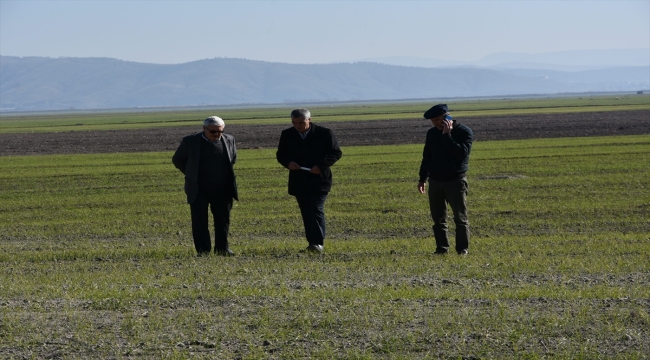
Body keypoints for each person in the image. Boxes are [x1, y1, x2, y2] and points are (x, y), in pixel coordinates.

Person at [276, 108, 342, 253]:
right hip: (299, 180)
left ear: (309, 120)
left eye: (301, 122)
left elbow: (335, 152)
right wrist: (289, 163)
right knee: (306, 211)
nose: (298, 126)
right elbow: (281, 155)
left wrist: (320, 166)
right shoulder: (287, 134)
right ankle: (311, 243)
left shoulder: (324, 133)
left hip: (320, 180)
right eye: (294, 123)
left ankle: (318, 243)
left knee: (316, 208)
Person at [172, 116, 238, 256]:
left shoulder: (229, 140)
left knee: (223, 221)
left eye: (219, 131)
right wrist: (191, 174)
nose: (216, 134)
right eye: (212, 131)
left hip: (223, 189)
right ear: (204, 129)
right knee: (199, 221)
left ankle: (222, 249)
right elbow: (177, 160)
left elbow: (232, 159)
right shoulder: (190, 141)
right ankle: (203, 251)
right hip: (199, 189)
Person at [418, 104, 473, 255]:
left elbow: (461, 154)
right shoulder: (431, 134)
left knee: (460, 218)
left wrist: (447, 135)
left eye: (438, 119)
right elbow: (427, 157)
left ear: (447, 117)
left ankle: (462, 249)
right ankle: (442, 248)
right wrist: (422, 178)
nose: (435, 123)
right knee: (438, 219)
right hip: (435, 181)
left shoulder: (464, 132)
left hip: (455, 181)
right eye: (432, 121)